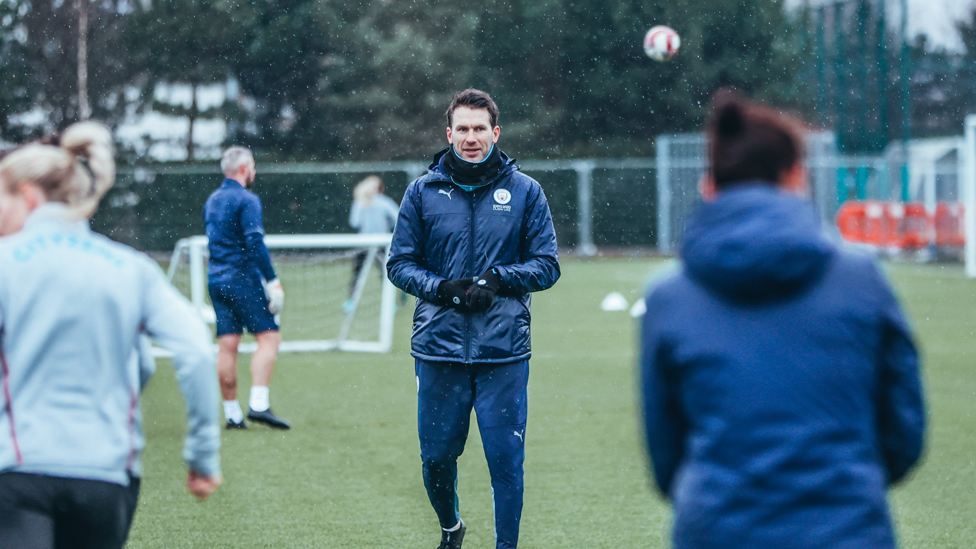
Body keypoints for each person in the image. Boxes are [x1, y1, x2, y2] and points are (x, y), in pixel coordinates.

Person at [639, 91, 926, 549]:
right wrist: (841, 489)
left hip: (717, 531)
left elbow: (665, 454)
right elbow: (903, 433)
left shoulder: (669, 298)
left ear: (708, 185)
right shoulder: (861, 280)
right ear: (796, 177)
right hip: (848, 530)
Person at [0, 122, 222, 549]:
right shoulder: (131, 268)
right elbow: (192, 350)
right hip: (105, 476)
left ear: (28, 194)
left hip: (17, 471)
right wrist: (201, 455)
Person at [387, 88, 560, 549]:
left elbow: (547, 264)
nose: (470, 137)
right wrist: (440, 288)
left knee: (506, 460)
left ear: (495, 133)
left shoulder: (526, 192)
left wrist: (499, 279)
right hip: (438, 348)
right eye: (461, 129)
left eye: (479, 128)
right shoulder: (421, 192)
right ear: (448, 134)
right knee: (437, 458)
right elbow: (399, 264)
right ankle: (451, 527)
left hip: (503, 350)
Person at [204, 146, 289, 430]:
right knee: (269, 338)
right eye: (252, 166)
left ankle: (232, 415)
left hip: (216, 279)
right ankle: (259, 405)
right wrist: (272, 280)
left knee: (227, 345)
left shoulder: (212, 200)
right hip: (241, 278)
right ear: (243, 169)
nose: (254, 171)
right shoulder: (247, 199)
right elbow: (254, 242)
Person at [345, 175, 399, 311]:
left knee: (358, 273)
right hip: (382, 242)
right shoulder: (384, 202)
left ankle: (351, 302)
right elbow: (397, 216)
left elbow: (354, 222)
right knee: (385, 273)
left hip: (364, 242)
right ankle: (390, 303)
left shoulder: (359, 203)